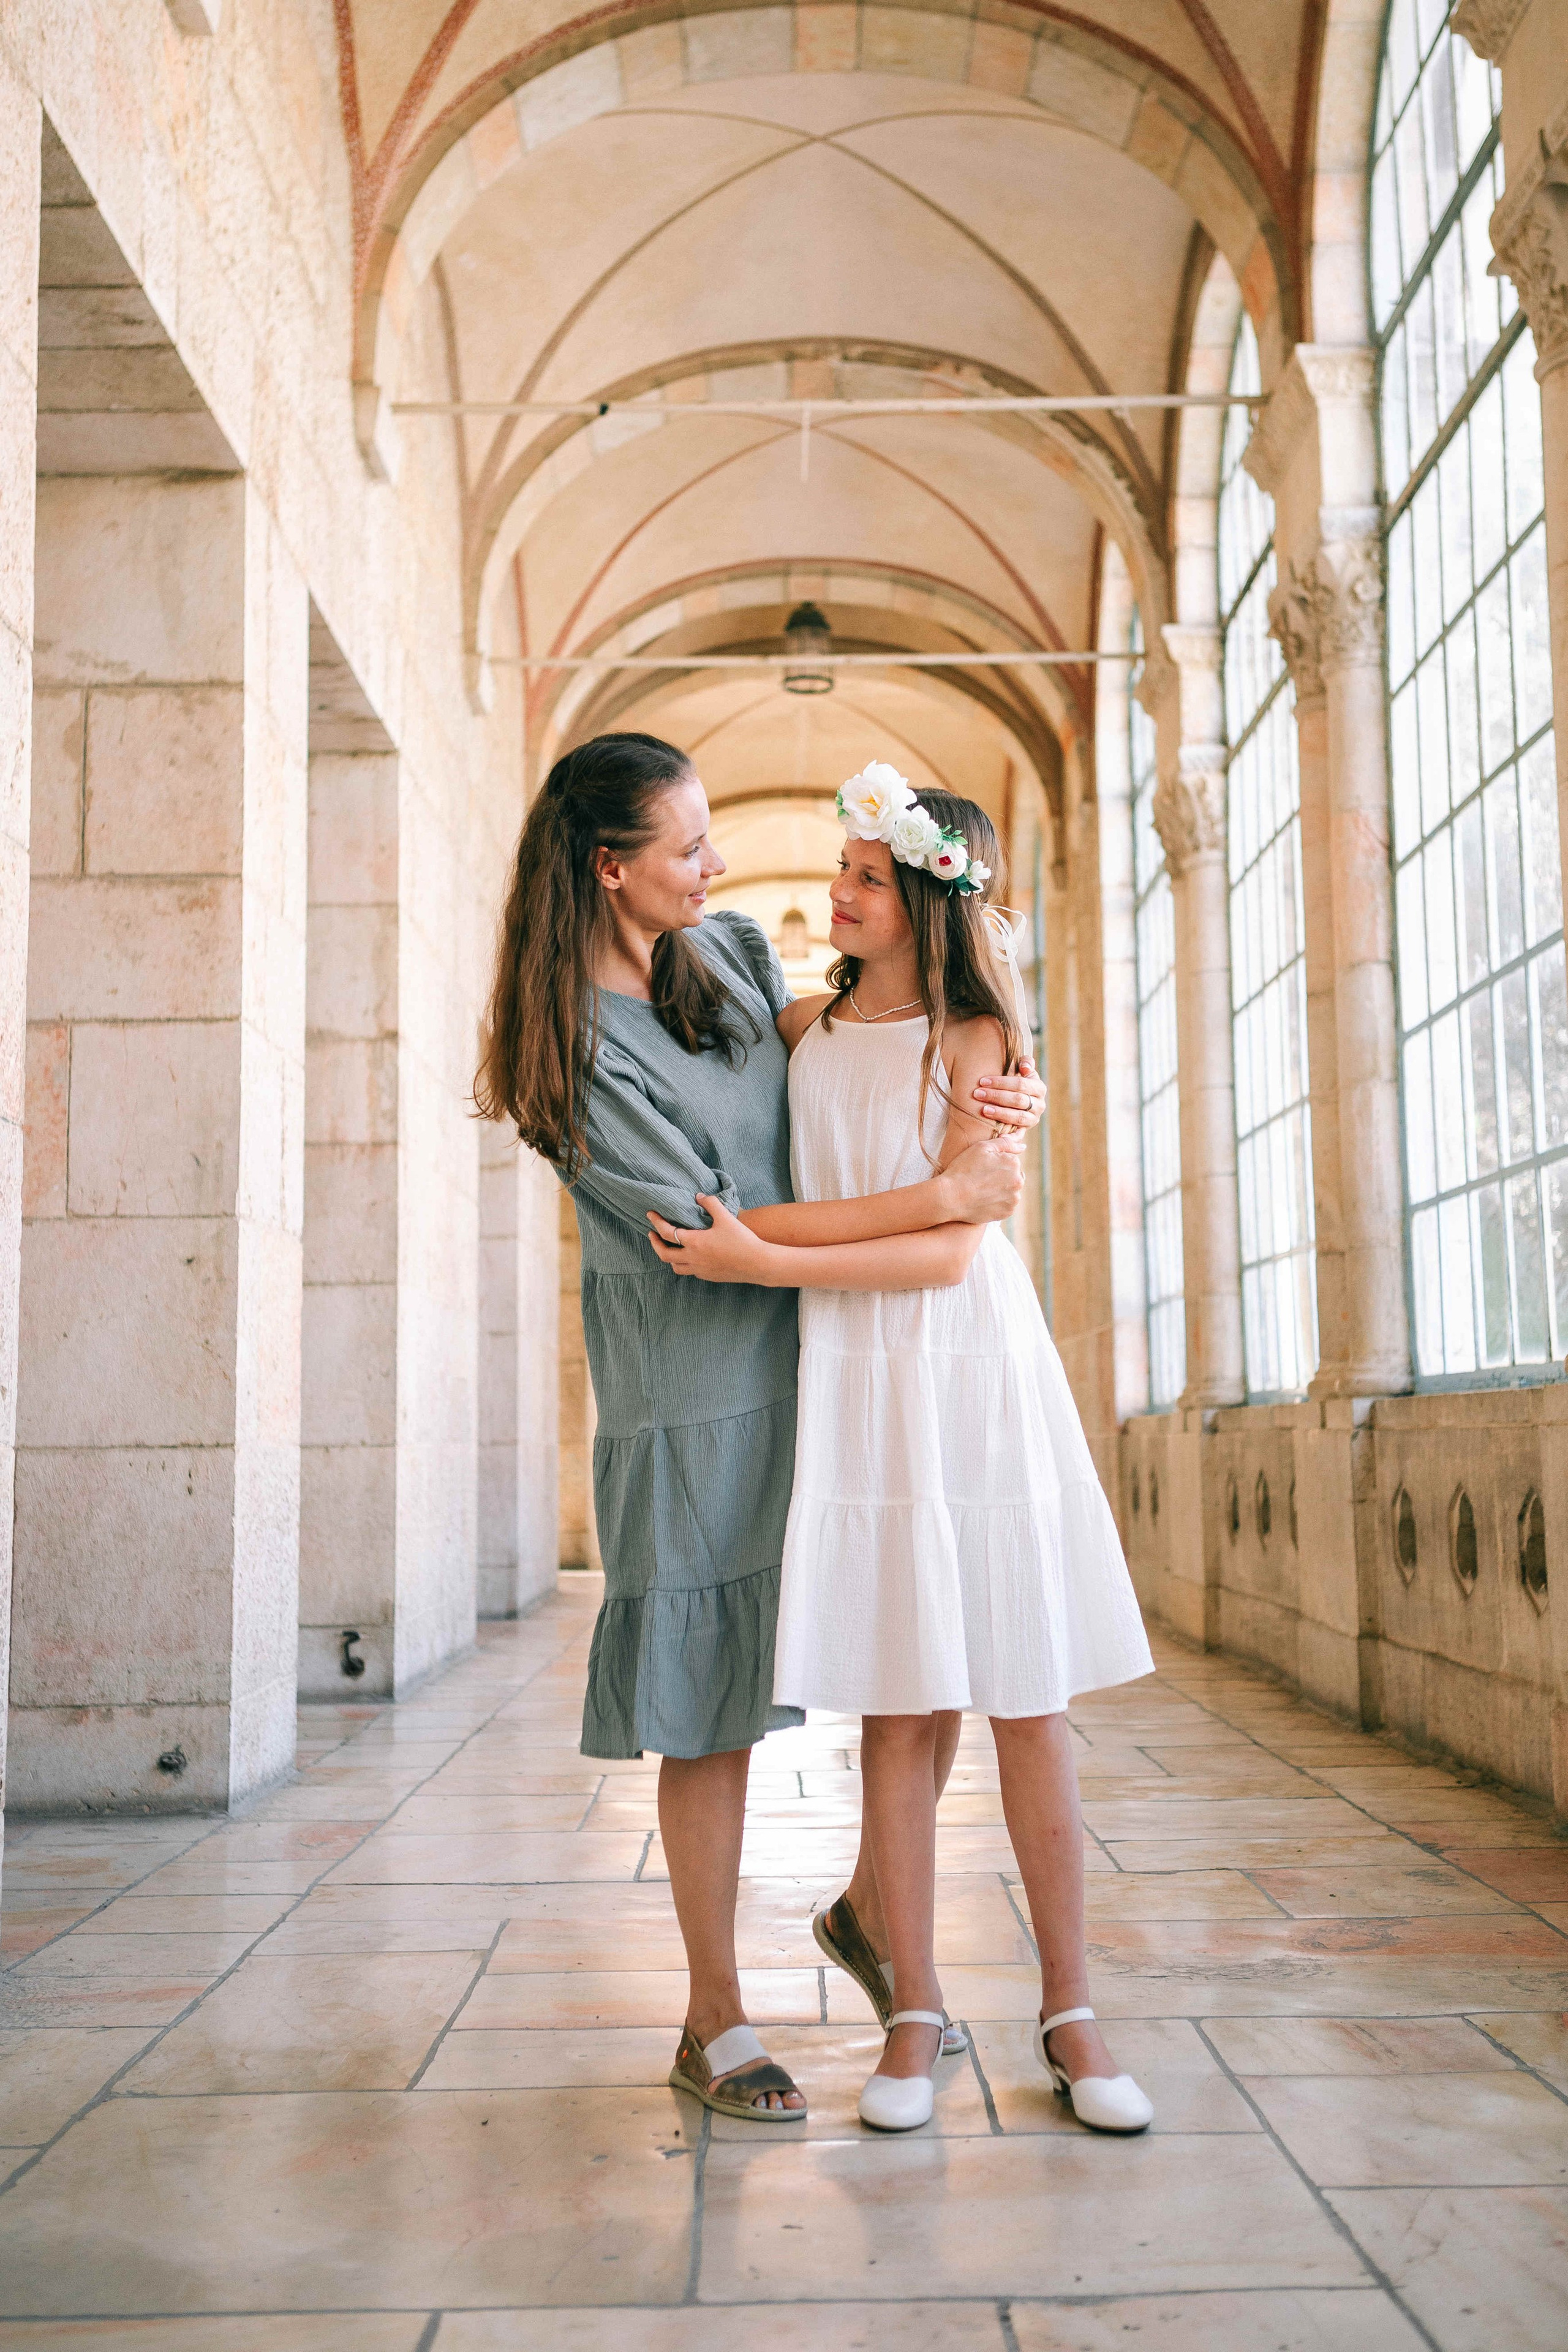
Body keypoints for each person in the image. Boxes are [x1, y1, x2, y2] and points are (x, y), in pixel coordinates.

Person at [475, 733, 1047, 2124]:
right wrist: (950, 1199)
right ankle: (713, 2018)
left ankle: (867, 1912)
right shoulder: (565, 1057)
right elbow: (707, 1230)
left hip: (836, 1361)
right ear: (610, 871)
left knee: (923, 1657)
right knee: (709, 1711)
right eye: (686, 847)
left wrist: (989, 1086)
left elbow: (839, 1046)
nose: (717, 865)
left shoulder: (725, 953)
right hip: (694, 1402)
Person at [649, 765, 1156, 2135]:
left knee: (1025, 1694)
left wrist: (757, 1253)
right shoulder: (807, 1027)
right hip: (857, 1379)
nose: (837, 892)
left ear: (925, 897)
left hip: (969, 1370)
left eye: (864, 876)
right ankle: (914, 2006)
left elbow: (945, 1248)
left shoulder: (979, 1036)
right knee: (897, 1693)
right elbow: (887, 1195)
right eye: (841, 869)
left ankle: (1071, 2008)